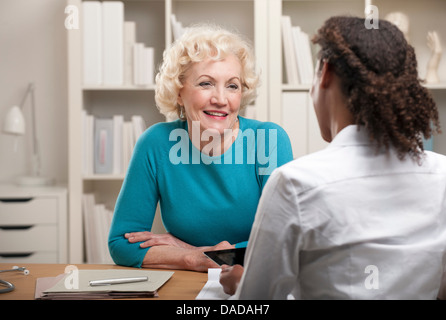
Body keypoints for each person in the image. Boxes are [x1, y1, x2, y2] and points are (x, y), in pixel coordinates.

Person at [220, 16, 446, 299]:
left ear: (325, 73)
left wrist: (242, 283)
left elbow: (256, 303)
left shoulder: (294, 183)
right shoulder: (442, 175)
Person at [108, 24, 293, 272]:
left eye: (232, 85)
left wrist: (190, 249)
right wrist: (191, 258)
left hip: (252, 285)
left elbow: (283, 242)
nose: (220, 99)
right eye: (206, 84)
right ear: (178, 92)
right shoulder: (156, 144)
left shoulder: (268, 140)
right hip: (184, 285)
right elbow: (121, 243)